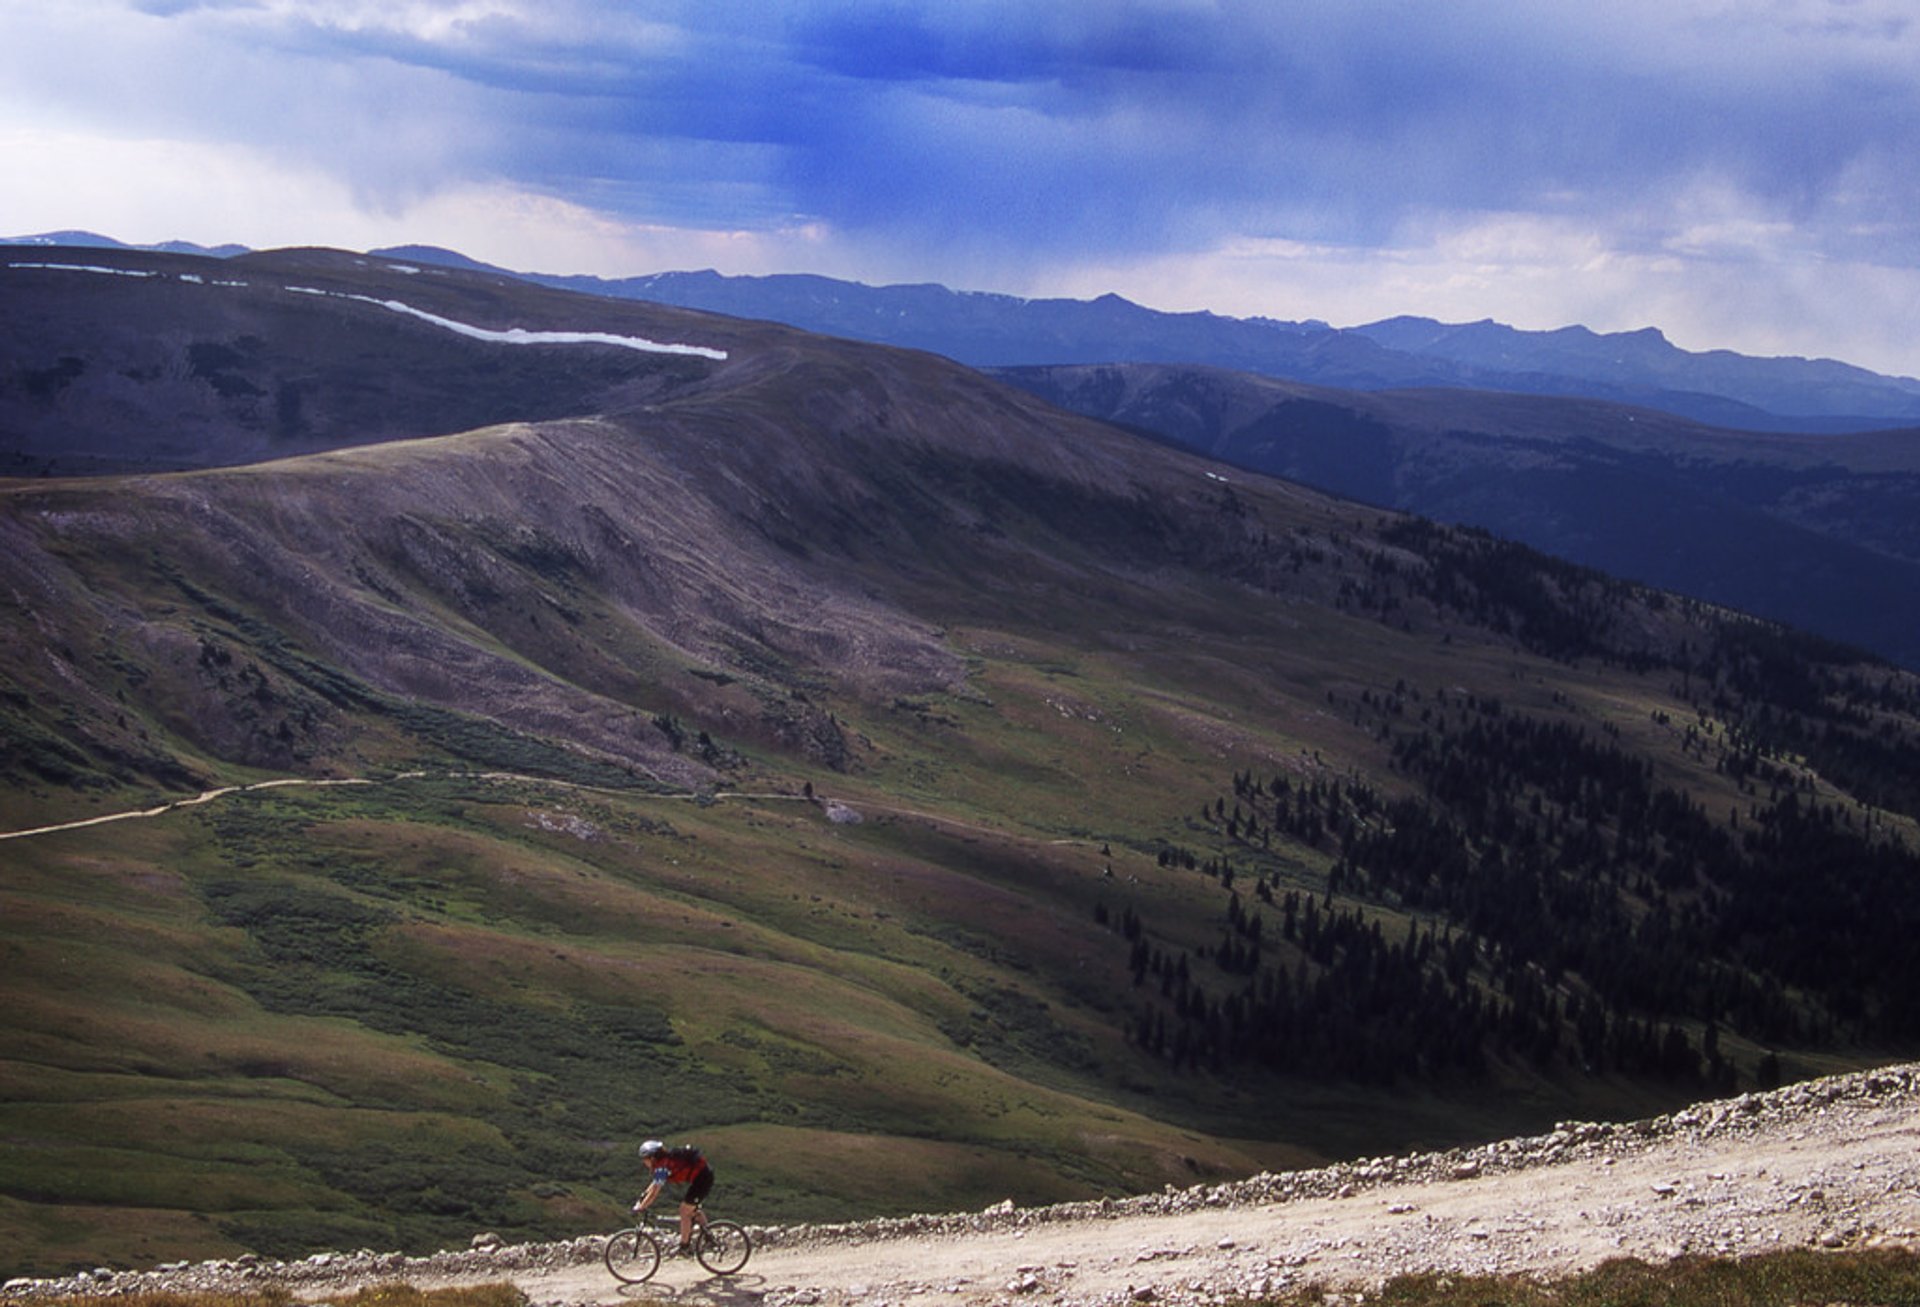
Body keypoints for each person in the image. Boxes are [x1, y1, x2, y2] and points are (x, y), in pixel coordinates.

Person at [633, 1139, 715, 1255]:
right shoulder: (663, 1163)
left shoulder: (662, 1167)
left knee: (684, 1210)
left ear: (652, 1158)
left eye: (644, 1159)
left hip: (702, 1179)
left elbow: (655, 1192)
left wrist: (642, 1207)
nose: (644, 1163)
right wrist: (643, 1196)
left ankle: (684, 1247)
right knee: (692, 1209)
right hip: (702, 1177)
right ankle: (708, 1238)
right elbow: (654, 1184)